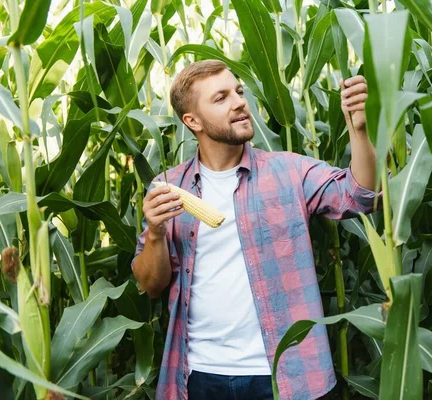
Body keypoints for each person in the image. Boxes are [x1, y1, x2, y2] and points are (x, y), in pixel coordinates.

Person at [131, 60, 380, 400]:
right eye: (220, 98)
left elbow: (361, 195)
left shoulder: (288, 171)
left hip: (286, 375)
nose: (238, 102)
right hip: (201, 376)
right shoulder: (168, 187)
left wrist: (359, 129)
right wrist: (157, 233)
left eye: (238, 92)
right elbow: (150, 283)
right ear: (193, 121)